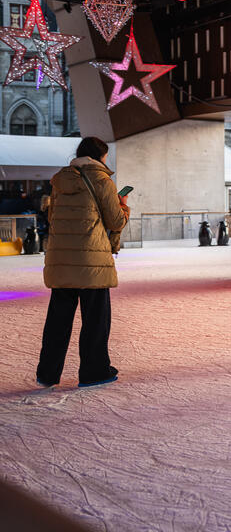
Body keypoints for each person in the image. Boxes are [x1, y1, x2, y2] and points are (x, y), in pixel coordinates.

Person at [37, 137, 130, 387]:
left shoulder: (60, 181)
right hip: (92, 262)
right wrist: (123, 207)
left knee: (58, 321)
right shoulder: (102, 180)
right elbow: (115, 222)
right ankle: (94, 371)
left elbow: (53, 217)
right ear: (100, 156)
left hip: (61, 260)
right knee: (96, 320)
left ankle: (47, 373)